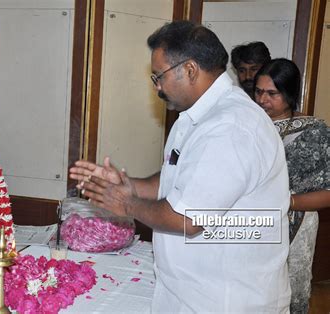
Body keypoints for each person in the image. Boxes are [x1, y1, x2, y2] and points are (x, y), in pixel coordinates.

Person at [70, 21, 291, 312]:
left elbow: (188, 218)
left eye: (158, 76)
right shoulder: (194, 117)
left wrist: (128, 204)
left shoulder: (231, 126)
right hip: (191, 292)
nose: (157, 87)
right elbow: (180, 179)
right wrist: (128, 185)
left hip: (228, 298)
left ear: (189, 70)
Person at [254, 58, 330, 314]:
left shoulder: (315, 132)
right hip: (252, 220)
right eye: (259, 91)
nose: (263, 99)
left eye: (272, 93)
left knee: (289, 291)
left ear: (289, 94)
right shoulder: (246, 125)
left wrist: (288, 202)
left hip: (298, 220)